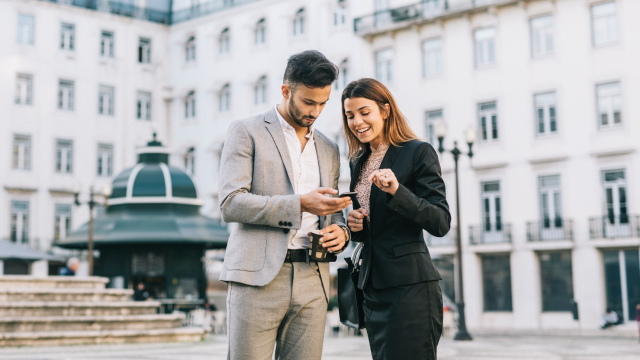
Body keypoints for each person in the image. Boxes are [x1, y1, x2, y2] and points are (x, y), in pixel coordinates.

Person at [219, 50, 352, 360]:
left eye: (322, 104)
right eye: (308, 102)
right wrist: (299, 205)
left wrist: (342, 233)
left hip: (313, 277)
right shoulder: (246, 131)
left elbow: (332, 211)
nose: (315, 112)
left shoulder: (330, 149)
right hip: (257, 278)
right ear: (285, 90)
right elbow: (231, 204)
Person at [342, 78, 450, 360]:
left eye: (364, 112)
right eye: (350, 115)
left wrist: (397, 191)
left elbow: (440, 221)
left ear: (385, 110)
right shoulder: (358, 162)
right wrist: (355, 225)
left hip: (410, 288)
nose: (357, 122)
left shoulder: (418, 152)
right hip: (372, 288)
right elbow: (373, 228)